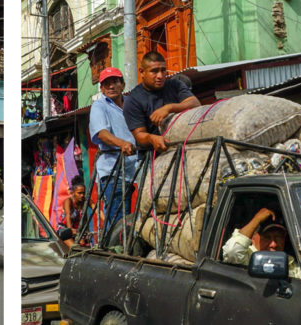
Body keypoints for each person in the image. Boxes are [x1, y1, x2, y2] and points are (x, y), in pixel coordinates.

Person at [123, 51, 201, 153]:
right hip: (152, 157)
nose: (160, 76)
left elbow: (195, 104)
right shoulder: (133, 100)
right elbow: (139, 135)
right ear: (142, 72)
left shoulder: (175, 85)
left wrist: (169, 108)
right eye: (154, 71)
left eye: (163, 70)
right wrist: (152, 138)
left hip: (183, 150)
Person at [89, 67, 138, 228]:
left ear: (122, 85)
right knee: (117, 220)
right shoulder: (99, 106)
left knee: (135, 218)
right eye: (106, 84)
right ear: (102, 88)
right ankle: (115, 248)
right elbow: (101, 133)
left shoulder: (131, 103)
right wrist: (122, 144)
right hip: (113, 171)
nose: (111, 86)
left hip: (135, 170)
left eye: (115, 82)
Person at [222, 208, 301, 279]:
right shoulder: (246, 257)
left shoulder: (290, 263)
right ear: (253, 238)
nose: (273, 244)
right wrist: (256, 219)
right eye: (267, 238)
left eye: (278, 237)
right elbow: (231, 252)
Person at [57, 176, 101, 246]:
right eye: (79, 193)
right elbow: (68, 215)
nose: (82, 195)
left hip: (78, 231)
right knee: (75, 247)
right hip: (65, 230)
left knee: (84, 245)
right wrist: (70, 230)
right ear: (73, 192)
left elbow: (98, 211)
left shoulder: (86, 201)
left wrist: (105, 221)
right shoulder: (68, 201)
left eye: (83, 193)